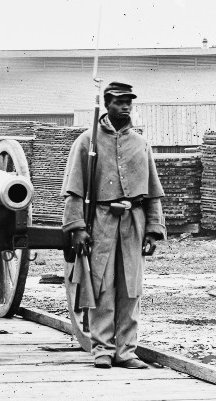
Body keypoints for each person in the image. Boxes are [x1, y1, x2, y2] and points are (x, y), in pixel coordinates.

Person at [61, 81, 166, 369]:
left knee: (130, 288)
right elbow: (74, 190)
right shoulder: (87, 142)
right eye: (119, 101)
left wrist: (154, 231)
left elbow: (152, 194)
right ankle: (103, 350)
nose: (126, 105)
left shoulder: (141, 144)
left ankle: (126, 351)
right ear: (106, 104)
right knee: (102, 287)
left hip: (133, 223)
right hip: (101, 222)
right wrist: (78, 228)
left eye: (129, 101)